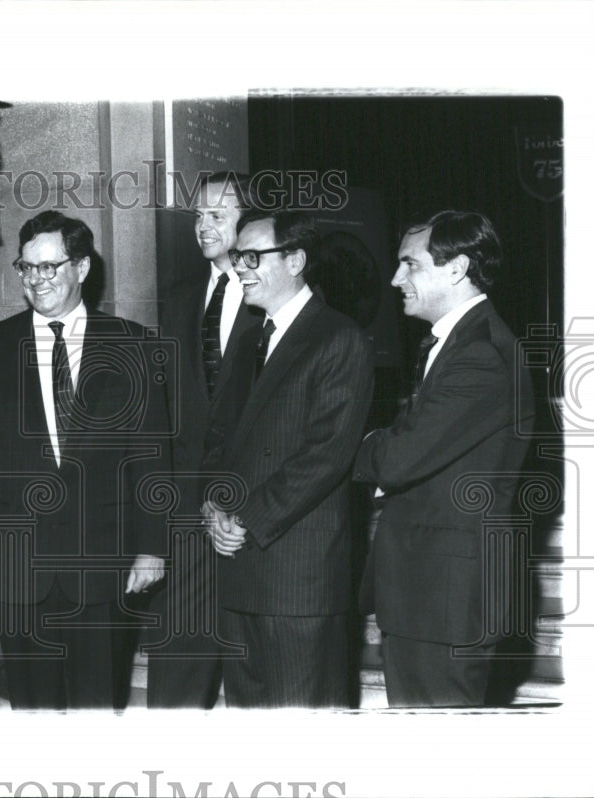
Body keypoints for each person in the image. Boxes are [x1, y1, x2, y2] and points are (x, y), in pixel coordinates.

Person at [0, 210, 171, 710]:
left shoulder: (133, 345)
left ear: (83, 268)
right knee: (33, 709)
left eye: (50, 267)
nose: (37, 280)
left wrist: (153, 546)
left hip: (102, 564)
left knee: (97, 705)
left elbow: (152, 458)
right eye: (27, 268)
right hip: (16, 564)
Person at [353, 210, 534, 707]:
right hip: (428, 597)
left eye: (409, 265)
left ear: (455, 268)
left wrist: (358, 441)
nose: (395, 279)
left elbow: (396, 459)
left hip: (444, 602)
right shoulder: (458, 343)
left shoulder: (480, 355)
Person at [204, 210, 374, 707]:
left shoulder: (339, 337)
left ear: (296, 260)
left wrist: (246, 519)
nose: (240, 268)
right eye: (238, 257)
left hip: (297, 582)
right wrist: (213, 506)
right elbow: (218, 440)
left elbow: (327, 455)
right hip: (238, 572)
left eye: (253, 256)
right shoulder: (250, 340)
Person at [146, 171, 263, 709]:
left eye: (217, 215)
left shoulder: (281, 303)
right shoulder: (179, 300)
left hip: (259, 513)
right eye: (199, 215)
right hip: (188, 510)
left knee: (255, 667)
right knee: (179, 662)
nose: (202, 226)